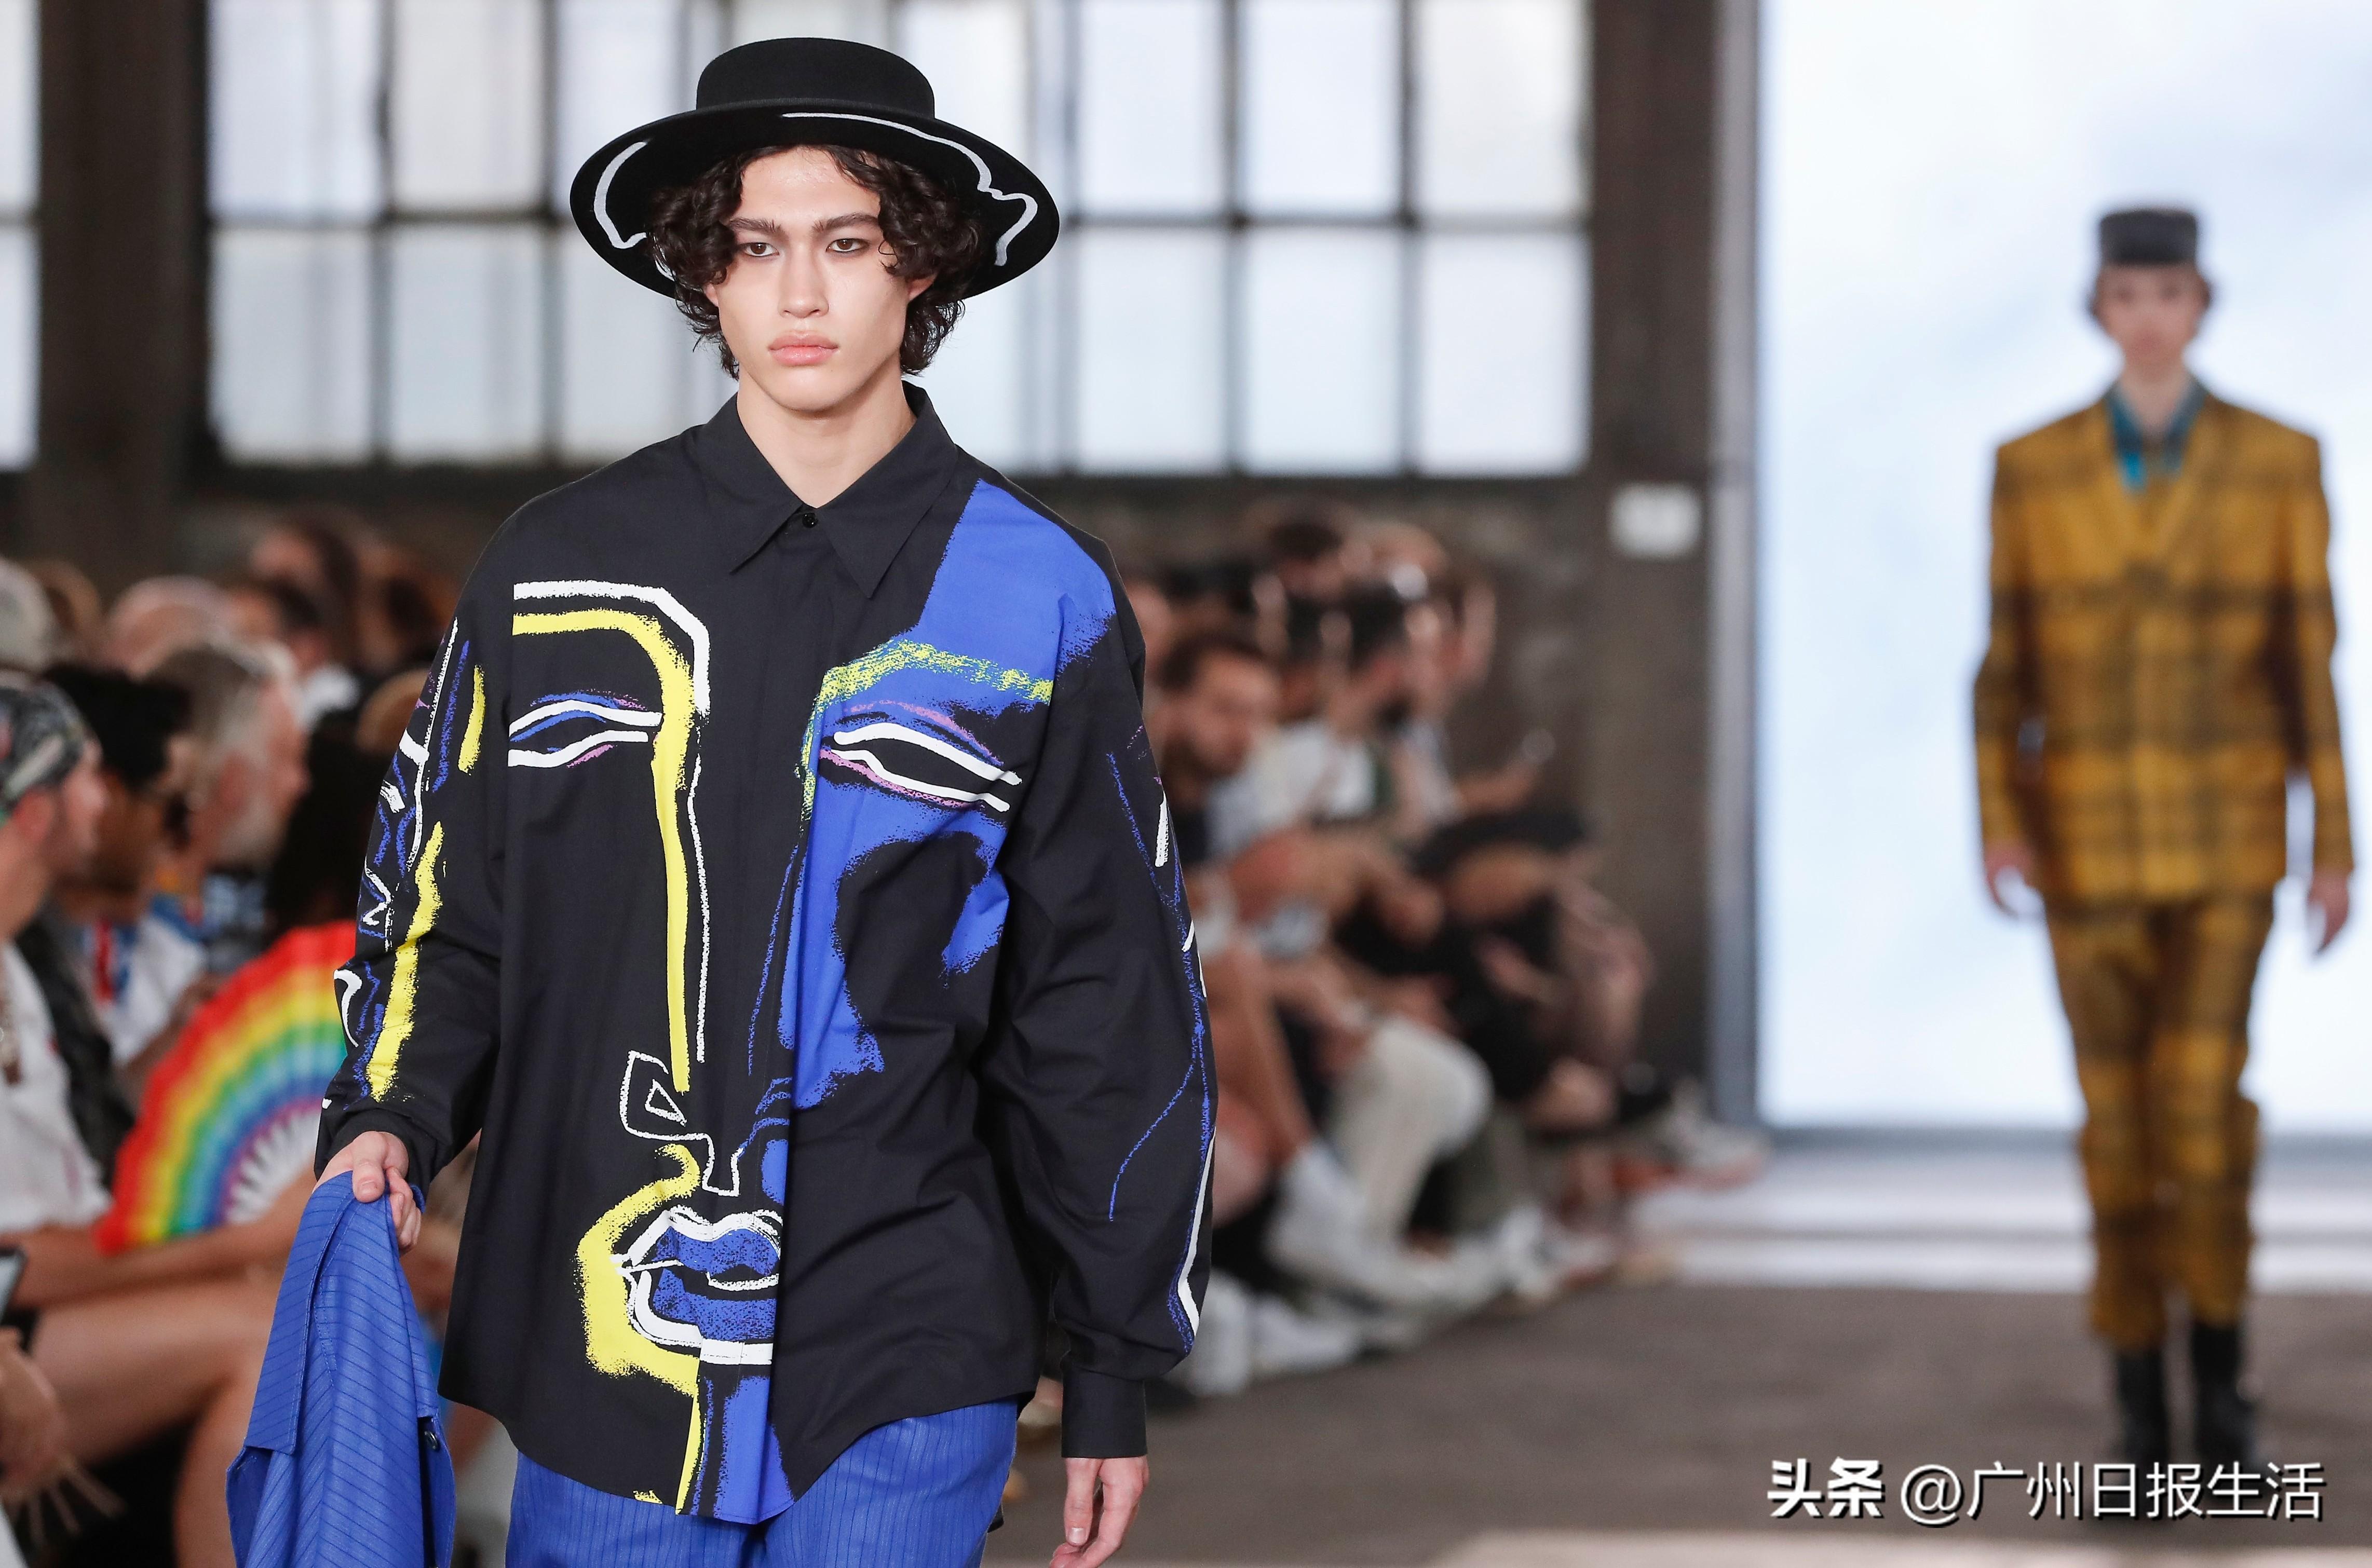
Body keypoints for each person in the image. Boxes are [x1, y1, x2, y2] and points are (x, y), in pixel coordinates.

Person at [314, 38, 1208, 1568]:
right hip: (612, 1302)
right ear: (701, 273)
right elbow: (451, 892)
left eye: (847, 244)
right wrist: (392, 1108)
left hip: (913, 1304)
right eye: (753, 246)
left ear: (923, 266)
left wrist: (1112, 1357)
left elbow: (1102, 989)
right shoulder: (557, 569)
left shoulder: (1036, 593)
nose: (800, 294)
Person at [1974, 207, 2352, 1470]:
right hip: (2081, 838)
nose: (2146, 317)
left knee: (2200, 1110)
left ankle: (2220, 1380)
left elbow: (2308, 659)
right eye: (2126, 294)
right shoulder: (2031, 466)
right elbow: (2002, 664)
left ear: (2200, 303)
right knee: (2113, 1123)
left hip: (2225, 834)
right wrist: (1998, 823)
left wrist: (2332, 841)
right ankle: (2136, 1396)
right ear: (2098, 307)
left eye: (2168, 293)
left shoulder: (2276, 459)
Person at [0, 677, 287, 1568]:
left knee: (287, 1307)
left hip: (39, 1308)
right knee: (270, 1339)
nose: (108, 797)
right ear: (37, 812)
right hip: (21, 1314)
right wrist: (241, 1238)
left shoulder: (19, 969)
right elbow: (19, 1260)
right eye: (89, 775)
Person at [39, 665, 203, 1080]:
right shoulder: (24, 939)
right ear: (108, 801)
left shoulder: (94, 942)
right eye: (173, 809)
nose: (184, 836)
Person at [149, 643, 311, 974]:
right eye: (287, 758)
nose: (301, 784)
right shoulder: (127, 930)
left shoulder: (210, 913)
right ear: (232, 780)